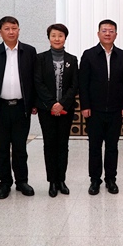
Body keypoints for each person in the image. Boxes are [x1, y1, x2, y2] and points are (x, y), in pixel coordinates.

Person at [0, 16, 37, 199]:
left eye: (14, 28)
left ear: (19, 30)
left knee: (20, 148)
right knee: (2, 148)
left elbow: (35, 80)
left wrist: (34, 103)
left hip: (21, 108)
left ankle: (22, 181)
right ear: (0, 32)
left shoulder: (29, 51)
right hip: (0, 108)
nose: (11, 32)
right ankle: (4, 183)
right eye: (7, 28)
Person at [79, 20, 123, 195]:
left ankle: (111, 179)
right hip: (94, 110)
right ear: (98, 34)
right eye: (104, 30)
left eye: (111, 31)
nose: (108, 34)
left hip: (116, 110)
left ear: (116, 34)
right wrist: (85, 105)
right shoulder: (89, 55)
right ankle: (95, 180)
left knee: (112, 147)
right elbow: (83, 83)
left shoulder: (122, 55)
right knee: (94, 147)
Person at [34, 23, 79, 197]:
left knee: (63, 145)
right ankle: (52, 181)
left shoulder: (72, 60)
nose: (57, 39)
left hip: (66, 110)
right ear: (49, 38)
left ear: (65, 38)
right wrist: (52, 103)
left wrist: (62, 104)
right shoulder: (40, 59)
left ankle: (61, 180)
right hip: (46, 109)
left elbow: (74, 85)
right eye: (53, 35)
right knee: (49, 144)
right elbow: (38, 83)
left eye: (60, 35)